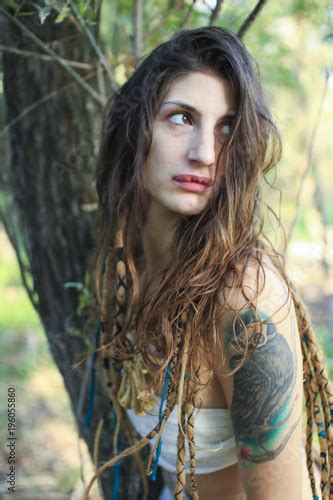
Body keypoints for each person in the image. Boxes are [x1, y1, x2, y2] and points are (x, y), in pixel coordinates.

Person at [80, 26, 332, 500]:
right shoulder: (127, 267)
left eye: (227, 128)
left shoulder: (243, 298)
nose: (205, 154)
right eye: (181, 118)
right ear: (137, 129)